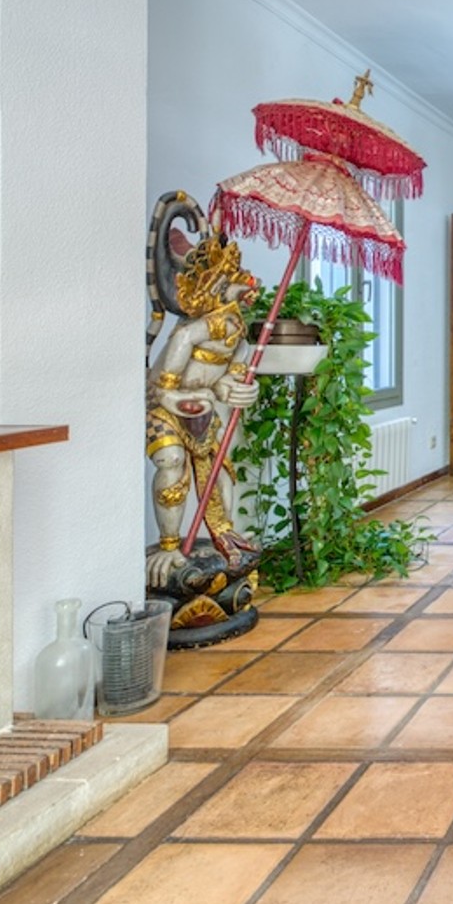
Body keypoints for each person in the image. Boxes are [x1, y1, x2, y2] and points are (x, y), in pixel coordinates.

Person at [144, 228, 263, 642]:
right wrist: (186, 401)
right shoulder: (190, 333)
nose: (247, 285)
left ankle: (223, 533)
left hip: (205, 413)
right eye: (235, 279)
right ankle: (170, 544)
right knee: (172, 465)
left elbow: (232, 380)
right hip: (169, 413)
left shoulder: (239, 338)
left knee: (221, 472)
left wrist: (240, 389)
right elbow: (162, 387)